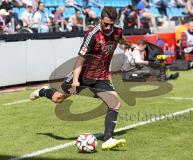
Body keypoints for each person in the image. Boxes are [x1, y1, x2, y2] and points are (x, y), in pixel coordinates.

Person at [29, 7, 126, 150]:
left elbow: (120, 40)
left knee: (115, 103)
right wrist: (75, 81)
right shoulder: (92, 35)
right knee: (57, 99)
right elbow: (79, 60)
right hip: (81, 76)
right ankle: (43, 91)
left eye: (111, 24)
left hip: (101, 78)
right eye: (105, 24)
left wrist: (130, 46)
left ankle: (108, 140)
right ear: (100, 20)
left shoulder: (118, 31)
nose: (108, 27)